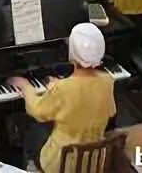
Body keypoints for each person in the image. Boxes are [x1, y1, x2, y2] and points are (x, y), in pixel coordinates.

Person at [9, 23, 116, 173]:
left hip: (63, 163)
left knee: (31, 134)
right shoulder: (107, 81)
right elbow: (110, 112)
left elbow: (37, 111)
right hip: (94, 161)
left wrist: (26, 87)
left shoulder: (63, 88)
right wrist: (58, 91)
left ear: (72, 52)